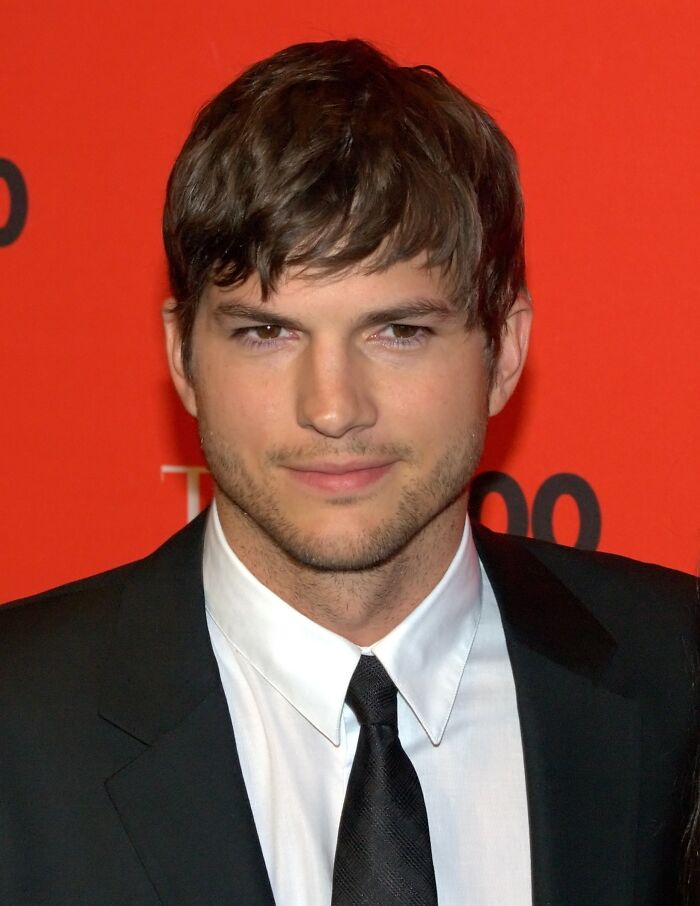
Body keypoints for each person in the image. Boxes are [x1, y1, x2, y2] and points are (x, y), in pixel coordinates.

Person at [0, 38, 696, 906]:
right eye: (267, 333)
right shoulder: (17, 723)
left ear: (504, 349)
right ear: (182, 354)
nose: (332, 408)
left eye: (397, 332)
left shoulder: (682, 679)